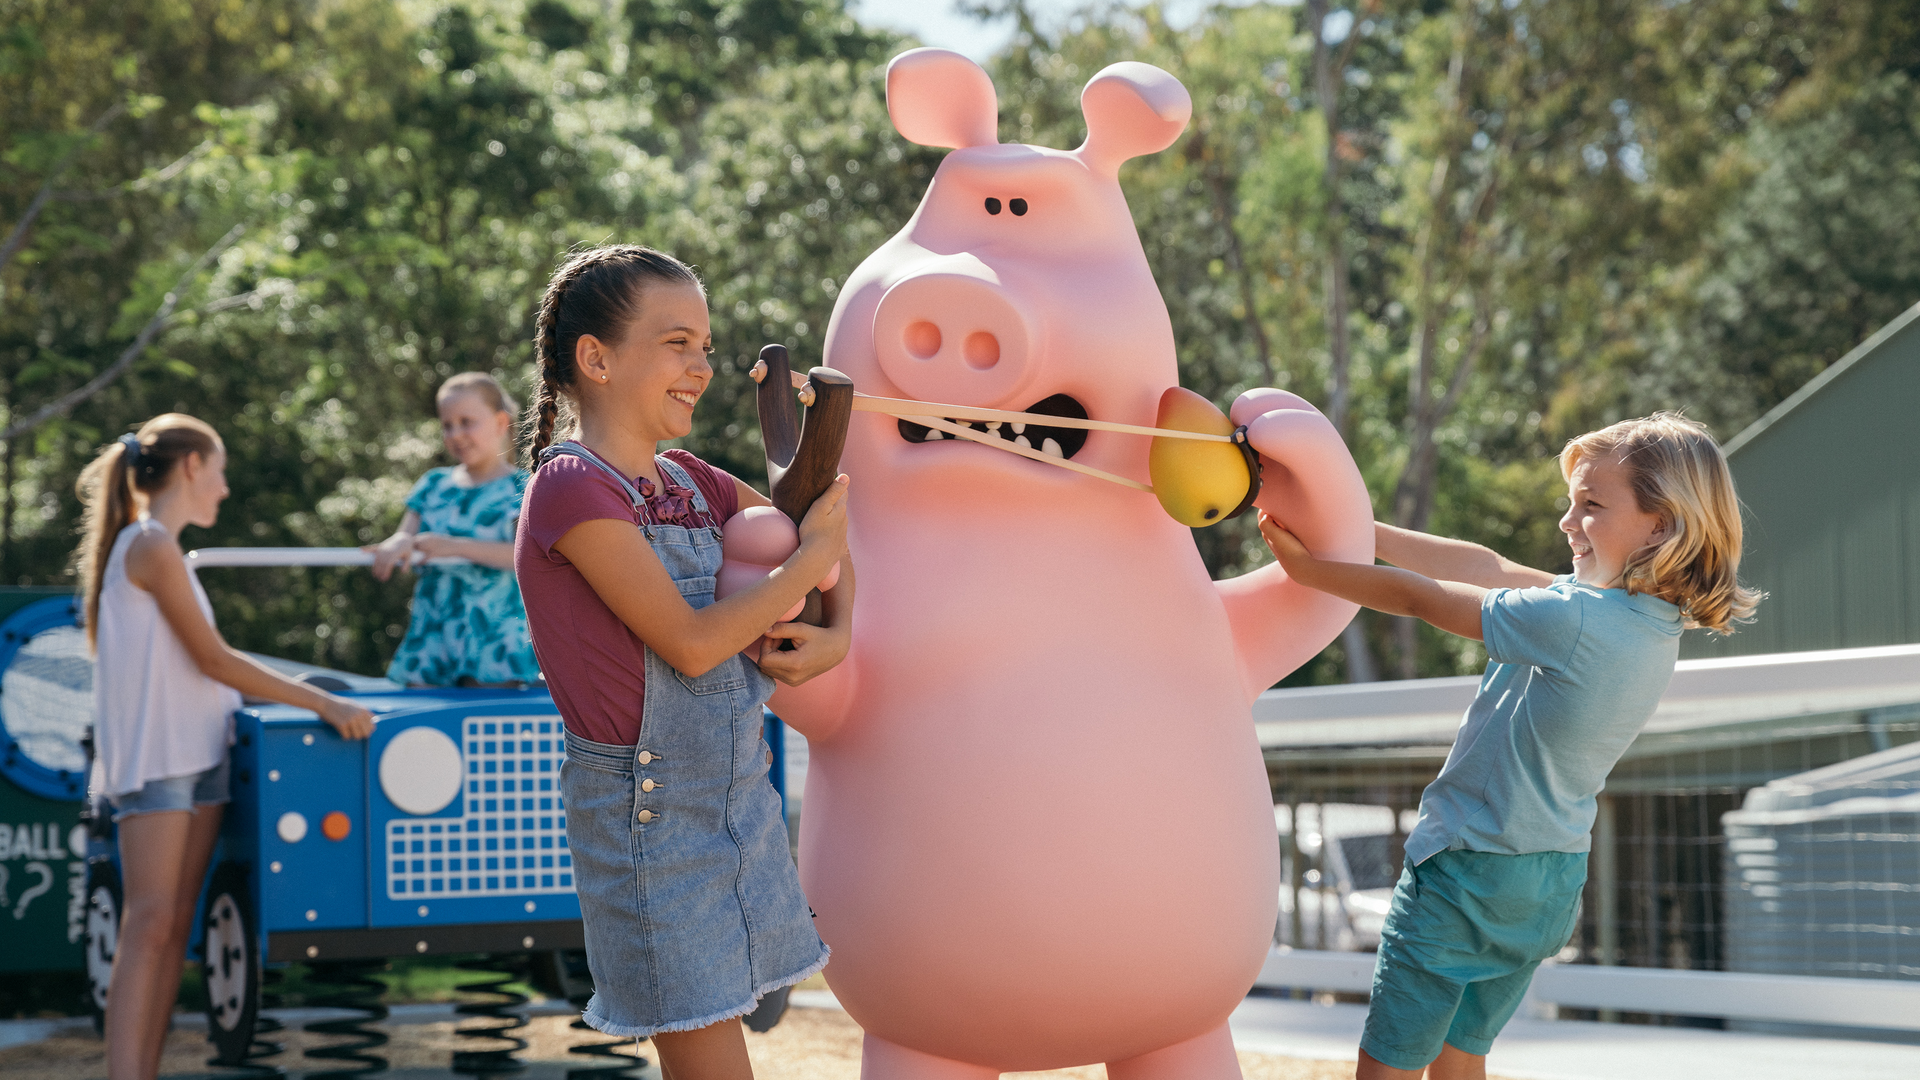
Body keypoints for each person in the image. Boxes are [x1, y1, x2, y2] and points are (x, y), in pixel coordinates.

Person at [1259, 413, 1761, 1080]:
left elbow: (1420, 600)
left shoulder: (1572, 617)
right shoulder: (1641, 624)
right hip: (1547, 881)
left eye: (1591, 505)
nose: (1567, 522)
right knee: (1463, 1056)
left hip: (1469, 866)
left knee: (1391, 1064)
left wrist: (1311, 570)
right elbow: (1485, 566)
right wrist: (1357, 533)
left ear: (1660, 525)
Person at [515, 244, 852, 1080]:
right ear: (595, 359)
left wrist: (835, 630)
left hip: (736, 797)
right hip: (649, 818)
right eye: (677, 343)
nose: (702, 366)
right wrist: (805, 568)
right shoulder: (570, 487)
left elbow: (830, 535)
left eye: (705, 345)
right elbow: (693, 645)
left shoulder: (691, 481)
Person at [76, 413, 376, 1080]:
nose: (225, 488)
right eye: (220, 469)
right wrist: (322, 700)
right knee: (148, 925)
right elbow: (213, 659)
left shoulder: (162, 550)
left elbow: (201, 669)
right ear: (191, 467)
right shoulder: (148, 545)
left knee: (171, 928)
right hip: (158, 764)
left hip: (201, 757)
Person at [365, 371, 540, 687]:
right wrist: (397, 544)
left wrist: (456, 547)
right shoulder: (433, 486)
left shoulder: (523, 488)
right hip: (434, 642)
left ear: (501, 423)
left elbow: (524, 557)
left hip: (495, 647)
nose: (456, 433)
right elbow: (407, 533)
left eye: (466, 422)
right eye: (447, 425)